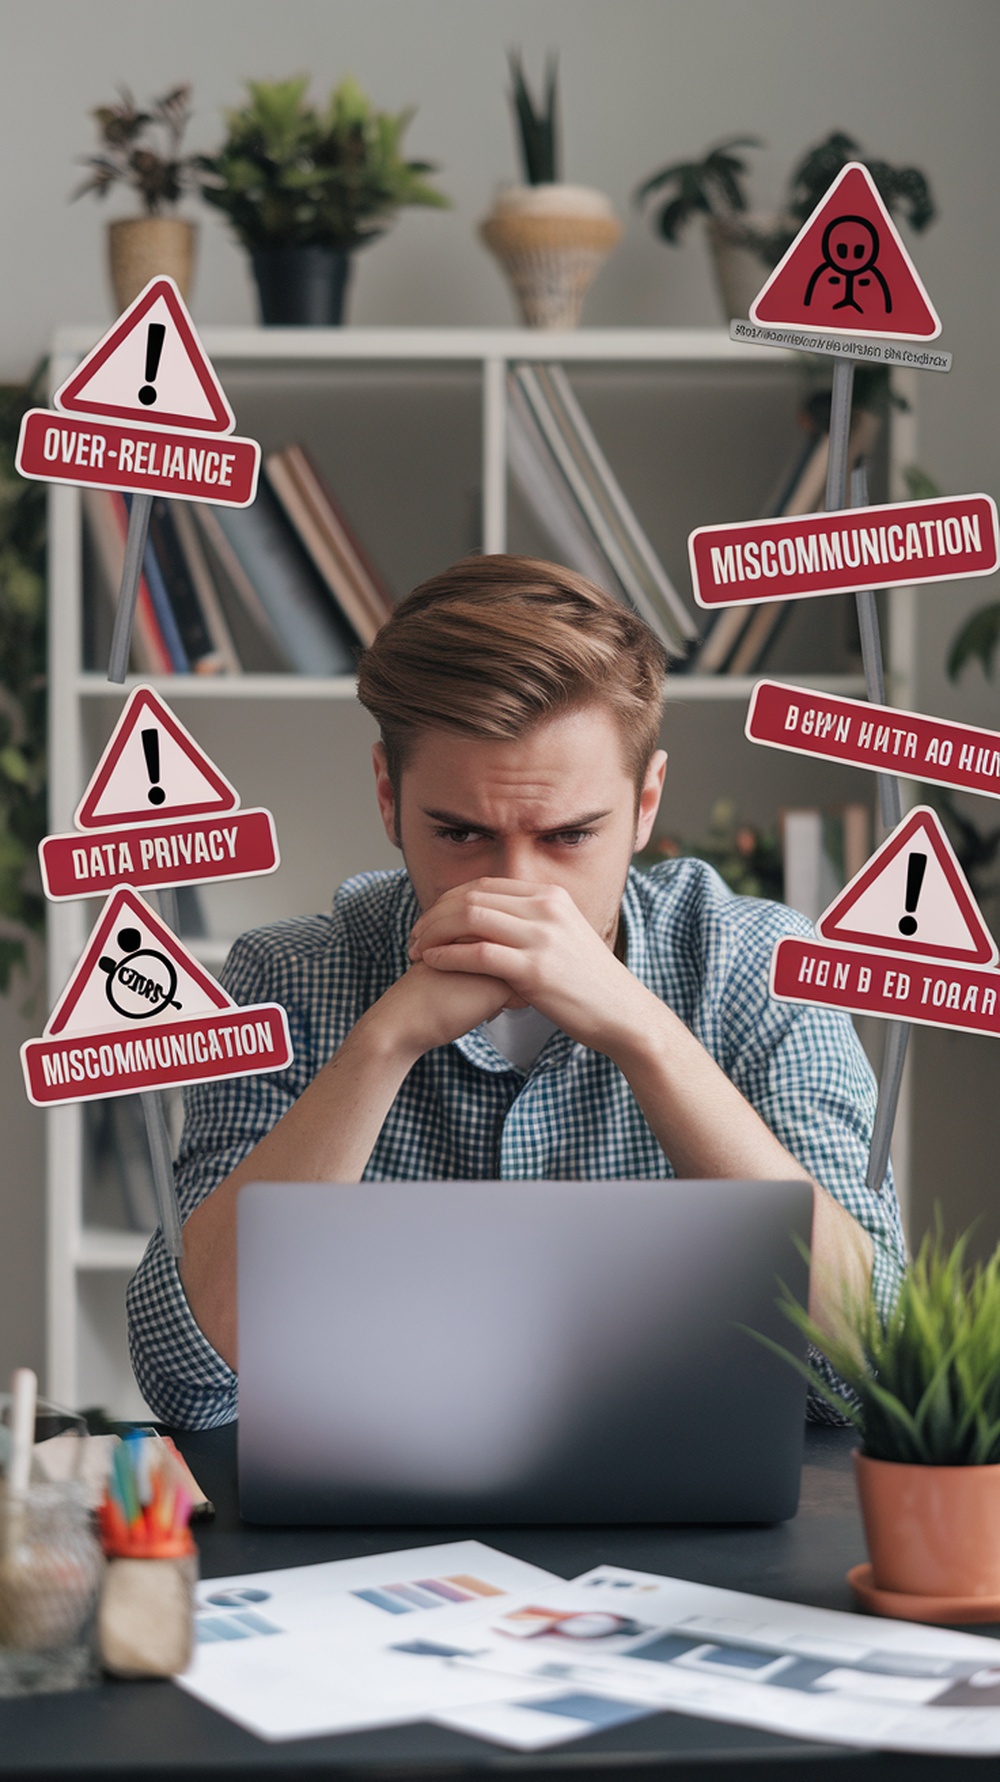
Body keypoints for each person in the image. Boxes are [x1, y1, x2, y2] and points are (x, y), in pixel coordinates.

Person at [127, 555, 906, 1429]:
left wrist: (644, 1035)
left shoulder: (758, 966)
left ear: (646, 804)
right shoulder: (286, 979)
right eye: (461, 833)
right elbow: (188, 1378)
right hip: (376, 1540)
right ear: (388, 796)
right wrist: (383, 1046)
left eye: (570, 836)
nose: (515, 890)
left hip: (697, 1546)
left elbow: (873, 1366)